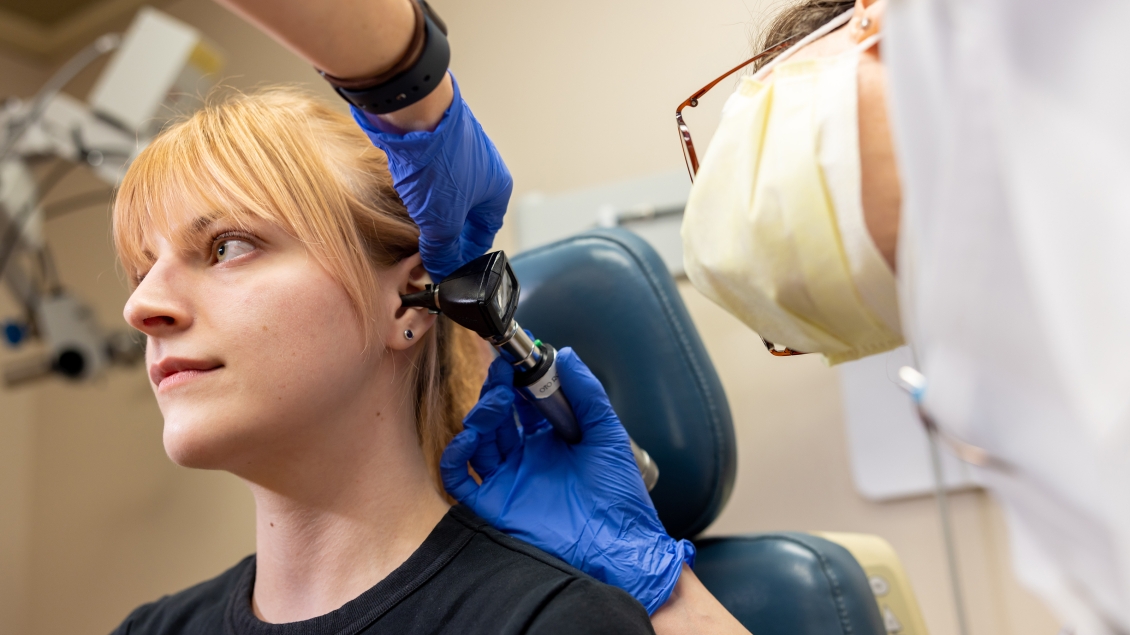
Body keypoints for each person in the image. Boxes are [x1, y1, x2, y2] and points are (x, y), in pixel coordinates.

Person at [108, 88, 654, 634]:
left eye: (227, 247)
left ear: (407, 300)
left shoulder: (550, 621)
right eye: (143, 271)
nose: (141, 307)